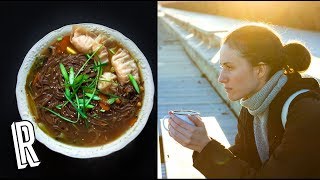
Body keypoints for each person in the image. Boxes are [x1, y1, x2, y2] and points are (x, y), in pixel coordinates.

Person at [167, 23, 320, 178]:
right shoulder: (253, 104)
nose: (221, 78)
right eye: (221, 67)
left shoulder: (305, 113)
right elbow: (244, 159)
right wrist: (201, 145)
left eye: (229, 67)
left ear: (260, 70)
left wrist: (205, 146)